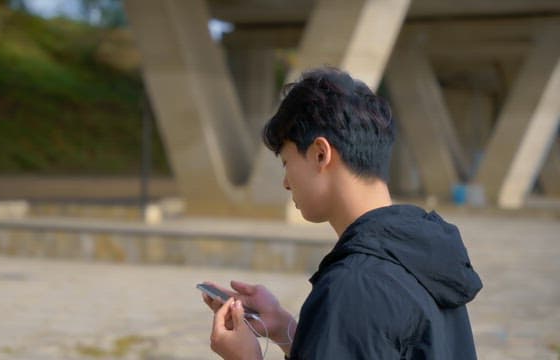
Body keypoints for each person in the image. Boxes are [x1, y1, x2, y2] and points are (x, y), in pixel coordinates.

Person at [202, 67, 483, 359]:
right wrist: (284, 327)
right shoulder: (419, 255)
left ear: (321, 154)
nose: (286, 182)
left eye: (287, 163)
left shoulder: (353, 286)